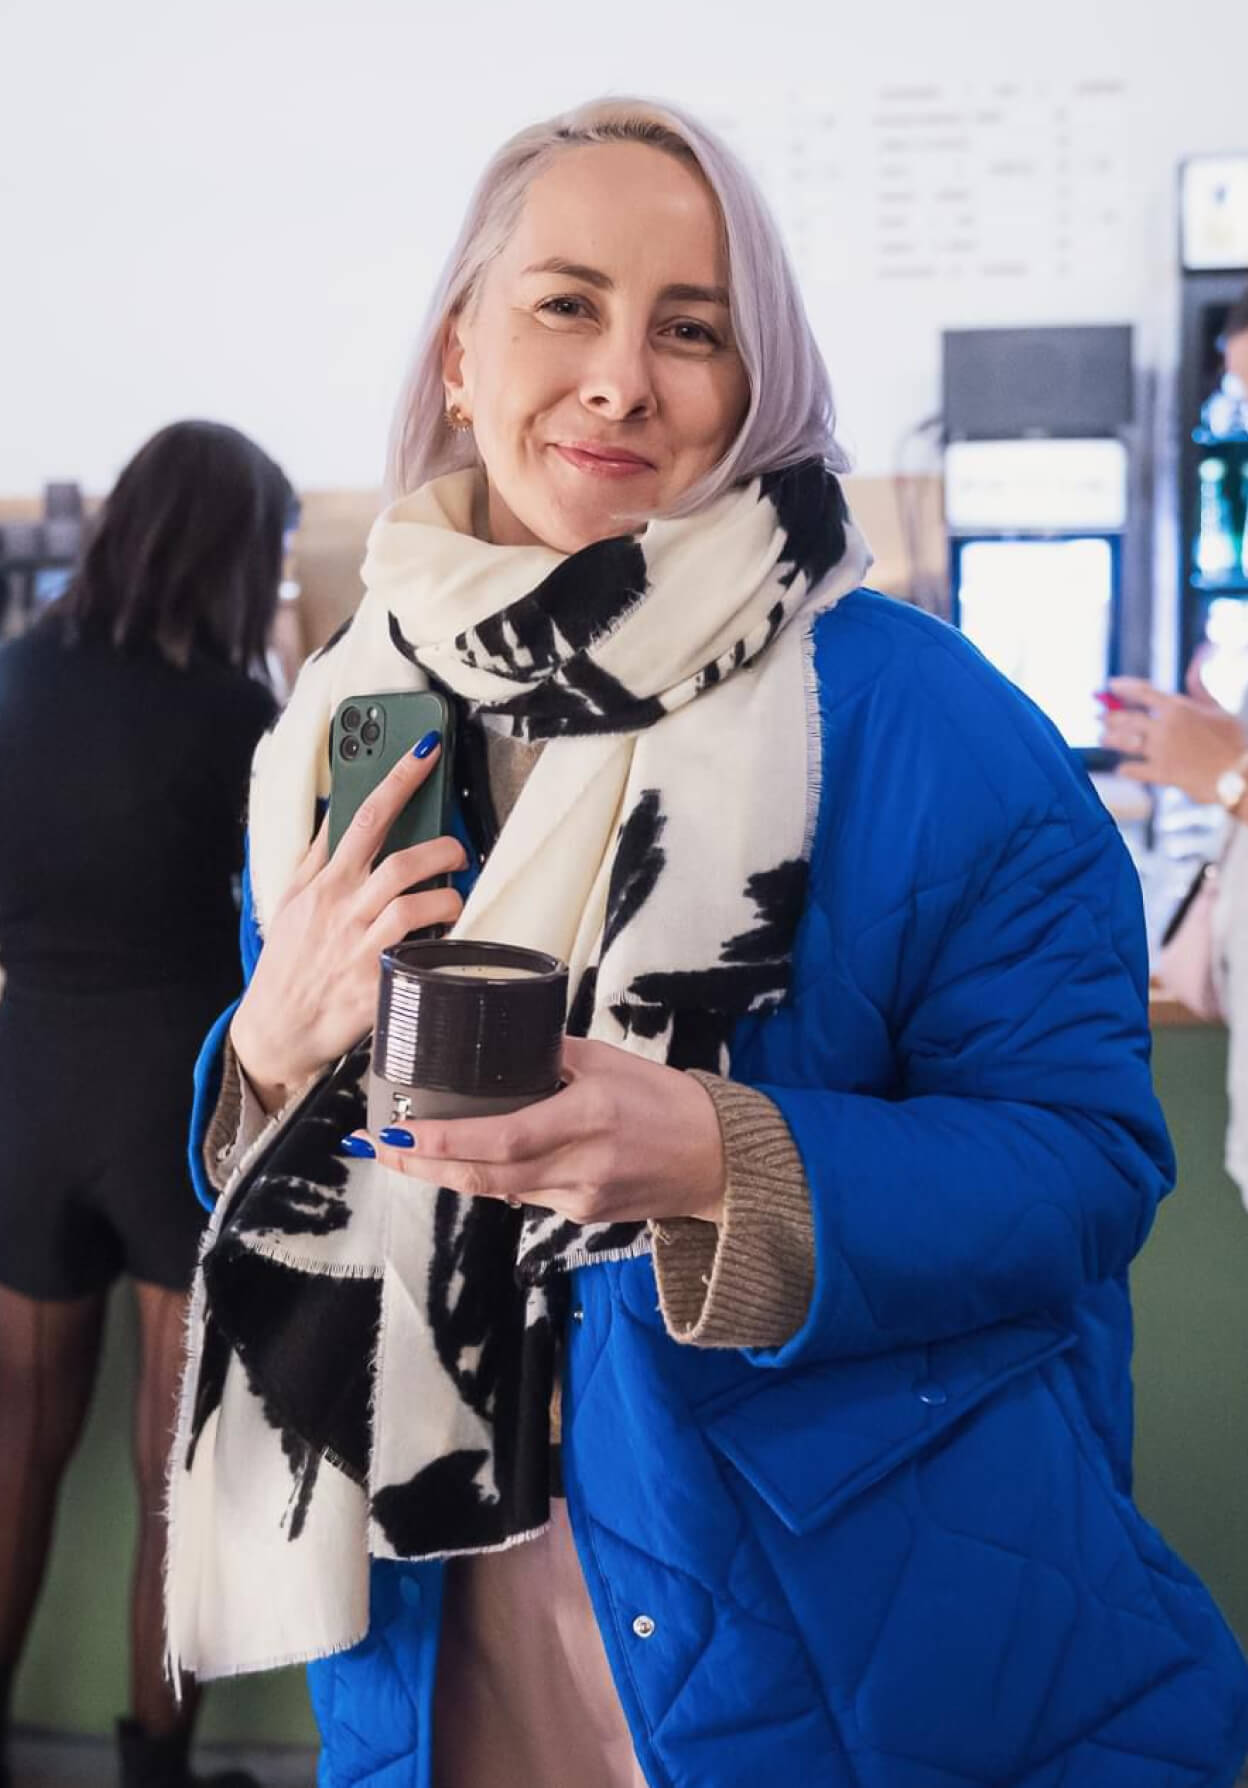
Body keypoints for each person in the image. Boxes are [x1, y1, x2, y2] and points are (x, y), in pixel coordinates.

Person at [173, 101, 1248, 1788]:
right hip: (427, 1643)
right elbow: (289, 1157)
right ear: (462, 353)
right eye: (566, 305)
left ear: (756, 391)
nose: (621, 377)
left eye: (692, 329)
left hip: (850, 1644)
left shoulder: (916, 717)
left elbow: (1088, 1161)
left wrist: (729, 1162)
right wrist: (260, 1055)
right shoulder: (352, 722)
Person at [0, 421, 290, 1788]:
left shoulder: (13, 679)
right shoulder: (239, 713)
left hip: (28, 1096)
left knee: (17, 1452)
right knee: (177, 1473)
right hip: (173, 1114)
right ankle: (154, 1775)